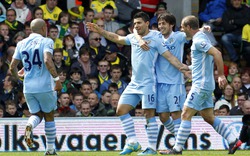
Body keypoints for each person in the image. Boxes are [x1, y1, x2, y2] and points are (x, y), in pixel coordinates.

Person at [86, 11, 186, 155]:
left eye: (139, 23)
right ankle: (132, 142)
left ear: (147, 23)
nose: (136, 26)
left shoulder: (156, 37)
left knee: (149, 114)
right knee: (121, 110)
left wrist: (184, 68)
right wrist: (100, 31)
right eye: (134, 24)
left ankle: (152, 148)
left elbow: (170, 57)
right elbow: (117, 38)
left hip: (149, 83)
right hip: (134, 83)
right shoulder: (133, 37)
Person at [163, 15, 240, 155]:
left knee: (186, 113)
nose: (181, 29)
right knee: (208, 117)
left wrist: (221, 75)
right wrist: (189, 68)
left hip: (201, 85)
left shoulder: (198, 41)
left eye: (182, 26)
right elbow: (204, 61)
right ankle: (233, 140)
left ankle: (177, 149)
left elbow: (217, 53)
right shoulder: (201, 37)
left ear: (188, 27)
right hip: (204, 84)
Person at [9, 18, 62, 155]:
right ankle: (50, 149)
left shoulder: (21, 43)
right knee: (49, 115)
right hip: (44, 86)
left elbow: (12, 66)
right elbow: (46, 60)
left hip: (28, 87)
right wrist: (57, 79)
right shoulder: (47, 41)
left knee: (37, 114)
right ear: (44, 28)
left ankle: (29, 125)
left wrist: (20, 76)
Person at [136, 13, 189, 147]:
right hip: (159, 83)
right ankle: (180, 138)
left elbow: (192, 32)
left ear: (171, 25)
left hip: (175, 83)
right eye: (159, 24)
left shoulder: (178, 36)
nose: (161, 26)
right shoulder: (156, 36)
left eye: (164, 23)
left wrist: (204, 29)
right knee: (163, 117)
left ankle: (178, 146)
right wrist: (139, 39)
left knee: (176, 114)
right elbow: (135, 30)